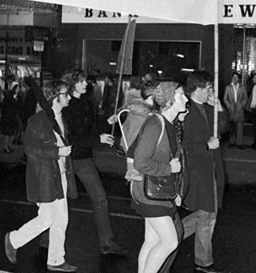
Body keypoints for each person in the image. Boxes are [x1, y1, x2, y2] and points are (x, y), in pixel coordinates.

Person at [4, 80, 78, 273]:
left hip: (60, 175)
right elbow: (30, 149)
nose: (69, 97)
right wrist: (57, 151)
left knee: (61, 220)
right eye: (65, 94)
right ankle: (13, 239)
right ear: (54, 97)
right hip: (45, 177)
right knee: (46, 219)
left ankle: (56, 259)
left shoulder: (60, 118)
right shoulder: (38, 120)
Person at [61, 70, 126, 255]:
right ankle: (44, 240)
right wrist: (98, 138)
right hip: (66, 158)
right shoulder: (66, 105)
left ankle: (106, 241)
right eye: (81, 81)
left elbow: (92, 127)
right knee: (57, 203)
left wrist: (107, 121)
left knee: (100, 198)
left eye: (85, 81)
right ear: (72, 84)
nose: (85, 84)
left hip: (83, 158)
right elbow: (71, 137)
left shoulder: (87, 102)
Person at [131, 82, 189, 273]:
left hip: (160, 192)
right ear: (170, 99)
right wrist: (168, 169)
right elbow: (141, 162)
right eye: (181, 96)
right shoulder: (156, 124)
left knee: (152, 240)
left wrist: (175, 192)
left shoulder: (170, 125)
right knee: (170, 241)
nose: (186, 99)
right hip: (149, 193)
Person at [181, 70, 228, 273]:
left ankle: (170, 235)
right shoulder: (188, 112)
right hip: (199, 172)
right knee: (206, 216)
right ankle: (203, 262)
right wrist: (207, 147)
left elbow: (222, 130)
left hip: (211, 170)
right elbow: (185, 147)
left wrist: (219, 109)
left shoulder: (206, 108)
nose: (211, 90)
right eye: (208, 87)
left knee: (207, 214)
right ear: (198, 89)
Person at [223, 71, 248, 149]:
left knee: (239, 127)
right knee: (231, 127)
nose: (234, 79)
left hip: (239, 109)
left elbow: (245, 98)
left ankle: (239, 143)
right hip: (231, 109)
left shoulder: (242, 87)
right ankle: (231, 142)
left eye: (236, 77)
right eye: (233, 77)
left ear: (239, 79)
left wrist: (242, 106)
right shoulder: (228, 87)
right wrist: (228, 105)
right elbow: (225, 98)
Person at [1, 82, 22, 153]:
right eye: (17, 88)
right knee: (7, 132)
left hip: (14, 116)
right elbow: (5, 106)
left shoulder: (18, 96)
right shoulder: (9, 96)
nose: (18, 90)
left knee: (12, 132)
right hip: (8, 116)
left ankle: (9, 145)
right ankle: (6, 146)